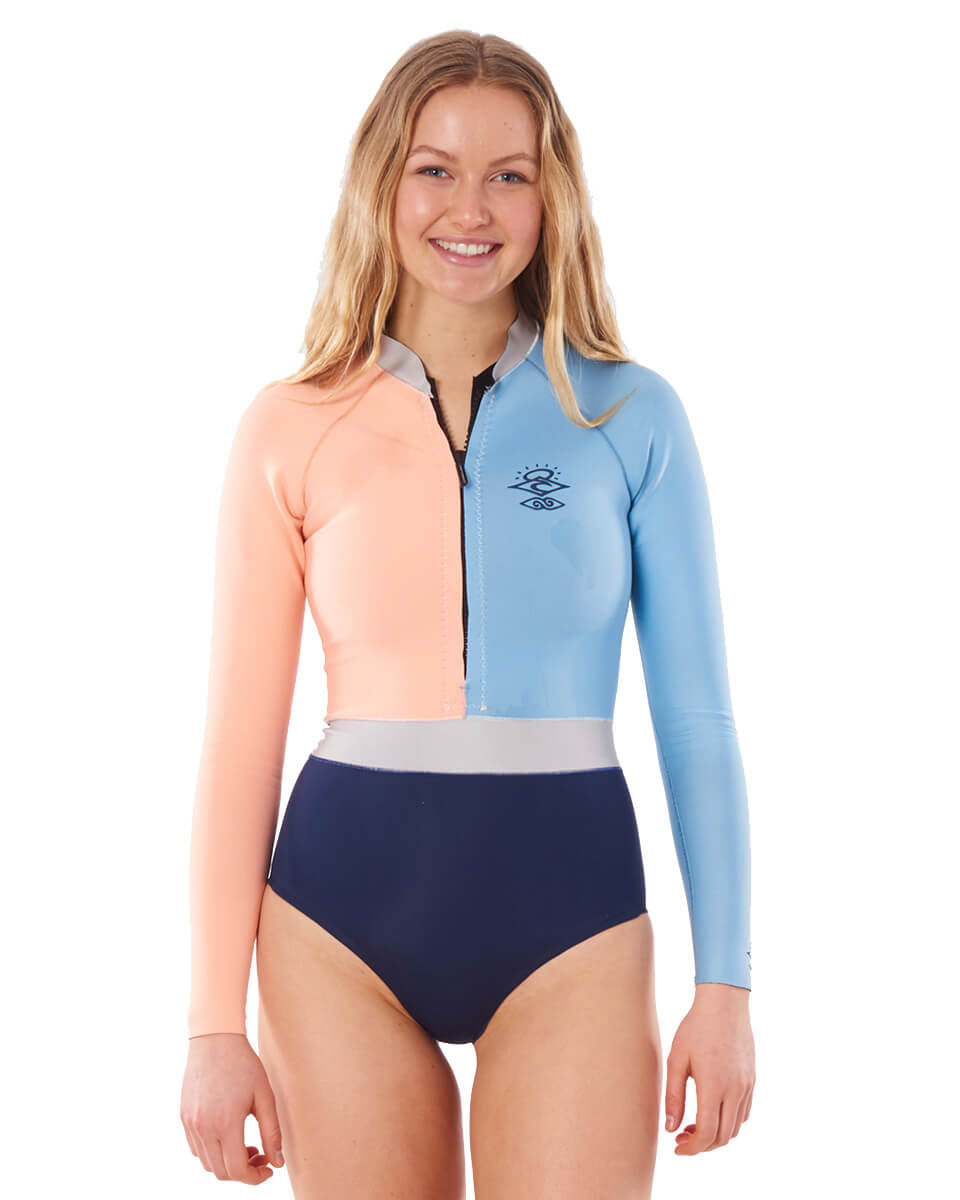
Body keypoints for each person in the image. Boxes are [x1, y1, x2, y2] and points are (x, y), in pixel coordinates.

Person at [180, 29, 755, 1198]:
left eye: (510, 174)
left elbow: (696, 720)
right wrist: (211, 1026)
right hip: (337, 929)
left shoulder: (628, 416)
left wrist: (726, 986)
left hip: (575, 926)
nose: (471, 209)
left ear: (553, 195)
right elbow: (240, 739)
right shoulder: (292, 425)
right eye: (435, 169)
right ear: (382, 182)